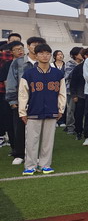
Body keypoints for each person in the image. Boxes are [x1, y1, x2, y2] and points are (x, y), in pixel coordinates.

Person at [17, 43, 66, 175]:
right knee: (31, 140)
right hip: (33, 111)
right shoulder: (29, 74)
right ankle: (30, 165)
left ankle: (45, 164)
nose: (45, 56)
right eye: (41, 53)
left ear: (51, 55)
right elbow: (23, 94)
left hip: (52, 110)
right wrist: (22, 112)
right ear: (36, 55)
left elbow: (62, 93)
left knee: (48, 141)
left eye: (47, 53)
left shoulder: (58, 74)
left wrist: (61, 109)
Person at [5, 36, 46, 166]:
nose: (36, 47)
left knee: (37, 130)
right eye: (33, 44)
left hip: (39, 101)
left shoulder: (44, 63)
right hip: (22, 100)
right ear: (28, 46)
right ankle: (19, 154)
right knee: (19, 128)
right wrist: (12, 100)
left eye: (39, 44)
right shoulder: (18, 62)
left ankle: (35, 154)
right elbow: (11, 80)